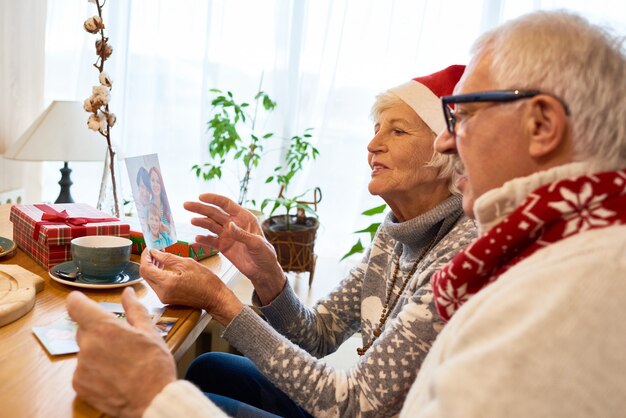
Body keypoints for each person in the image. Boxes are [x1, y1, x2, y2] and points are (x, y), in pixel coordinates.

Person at [67, 65, 477, 417]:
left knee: (191, 397)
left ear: (447, 151)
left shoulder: (459, 256)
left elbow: (353, 404)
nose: (372, 145)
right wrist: (268, 276)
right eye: (375, 129)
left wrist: (220, 300)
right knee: (209, 367)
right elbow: (319, 336)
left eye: (398, 131)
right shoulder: (394, 231)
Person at [400, 11, 626, 417]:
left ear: (541, 125)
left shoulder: (568, 293)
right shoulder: (565, 254)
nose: (444, 140)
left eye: (463, 114)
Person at [135, 166, 152, 231]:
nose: (145, 192)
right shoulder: (136, 206)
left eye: (147, 188)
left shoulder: (153, 204)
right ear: (138, 186)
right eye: (142, 187)